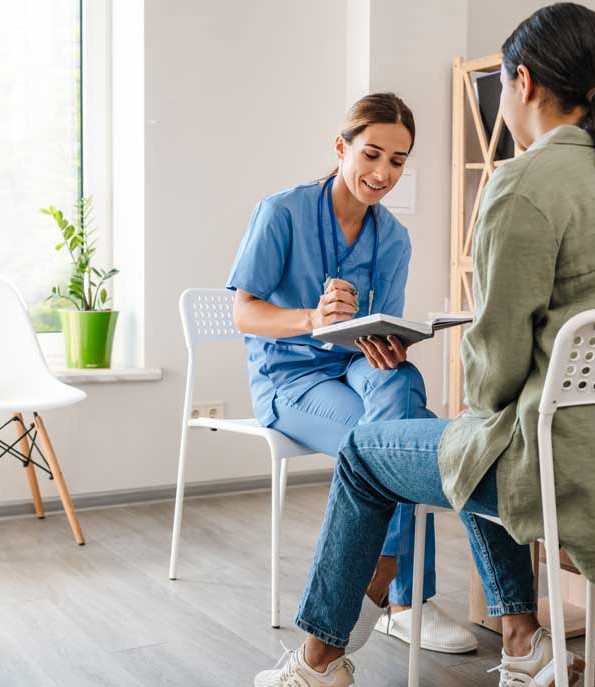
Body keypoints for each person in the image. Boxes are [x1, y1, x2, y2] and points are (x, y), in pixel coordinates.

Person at [255, 4, 595, 686]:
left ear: (523, 82)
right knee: (474, 438)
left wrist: (482, 344)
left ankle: (315, 664)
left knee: (378, 449)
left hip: (569, 464)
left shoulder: (523, 180)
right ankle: (523, 639)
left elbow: (495, 378)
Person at [227, 93, 478, 653]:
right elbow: (243, 311)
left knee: (402, 388)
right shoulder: (282, 213)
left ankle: (384, 574)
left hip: (352, 370)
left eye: (397, 161)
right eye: (371, 154)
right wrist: (311, 317)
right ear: (341, 147)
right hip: (291, 382)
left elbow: (373, 331)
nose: (382, 172)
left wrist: (387, 346)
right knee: (402, 435)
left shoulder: (393, 238)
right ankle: (403, 596)